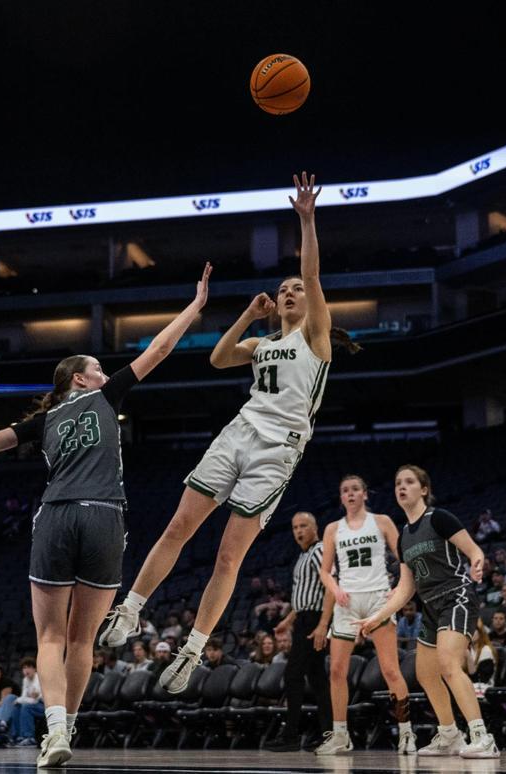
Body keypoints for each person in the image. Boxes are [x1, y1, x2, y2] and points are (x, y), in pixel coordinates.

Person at [0, 264, 211, 767]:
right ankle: (69, 729)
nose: (106, 373)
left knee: (51, 638)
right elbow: (160, 350)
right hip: (104, 517)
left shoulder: (40, 421)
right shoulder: (106, 396)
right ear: (81, 379)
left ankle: (54, 729)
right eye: (99, 368)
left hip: (56, 517)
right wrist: (195, 306)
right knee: (82, 640)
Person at [99, 174, 360, 696]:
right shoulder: (263, 343)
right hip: (238, 432)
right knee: (178, 526)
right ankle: (129, 611)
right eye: (283, 289)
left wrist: (306, 220)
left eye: (296, 290)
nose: (289, 292)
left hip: (277, 449)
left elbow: (311, 269)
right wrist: (247, 314)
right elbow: (219, 357)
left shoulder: (317, 338)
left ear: (312, 304)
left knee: (227, 556)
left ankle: (193, 649)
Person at [357, 465, 499, 758]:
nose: (402, 487)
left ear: (424, 489)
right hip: (431, 607)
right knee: (425, 674)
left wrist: (477, 561)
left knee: (449, 665)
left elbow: (473, 550)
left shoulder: (439, 518)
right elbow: (406, 589)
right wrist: (376, 617)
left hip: (456, 597)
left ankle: (482, 737)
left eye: (409, 482)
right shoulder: (403, 537)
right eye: (398, 483)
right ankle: (449, 735)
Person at [315, 474, 414, 755]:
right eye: (345, 490)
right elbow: (324, 570)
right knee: (336, 670)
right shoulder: (333, 528)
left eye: (355, 489)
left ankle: (407, 733)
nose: (350, 494)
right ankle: (340, 735)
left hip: (377, 599)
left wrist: (398, 588)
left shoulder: (381, 521)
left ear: (365, 494)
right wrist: (335, 588)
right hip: (346, 602)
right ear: (341, 497)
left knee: (390, 670)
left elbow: (403, 557)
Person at [265, 511, 332, 752]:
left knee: (293, 676)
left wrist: (323, 624)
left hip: (315, 619)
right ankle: (328, 733)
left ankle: (291, 735)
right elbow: (303, 598)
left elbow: (331, 589)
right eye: (295, 527)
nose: (299, 531)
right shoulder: (303, 555)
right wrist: (288, 619)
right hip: (304, 617)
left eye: (304, 526)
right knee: (317, 679)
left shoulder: (320, 551)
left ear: (316, 528)